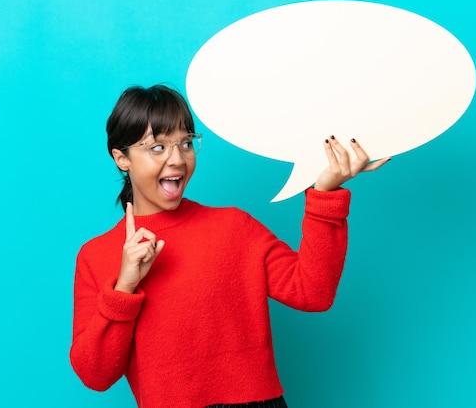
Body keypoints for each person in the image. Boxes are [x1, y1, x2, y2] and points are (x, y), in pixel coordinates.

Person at [70, 84, 390, 408]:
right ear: (121, 157)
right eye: (157, 148)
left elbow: (313, 292)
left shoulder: (234, 227)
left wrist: (325, 194)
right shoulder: (97, 256)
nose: (177, 159)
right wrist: (124, 287)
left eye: (186, 143)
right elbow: (96, 375)